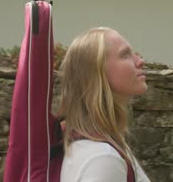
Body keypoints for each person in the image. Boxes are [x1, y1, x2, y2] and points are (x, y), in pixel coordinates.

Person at [57, 27, 151, 182]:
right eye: (125, 55)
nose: (140, 61)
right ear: (97, 73)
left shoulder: (104, 144)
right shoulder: (103, 159)